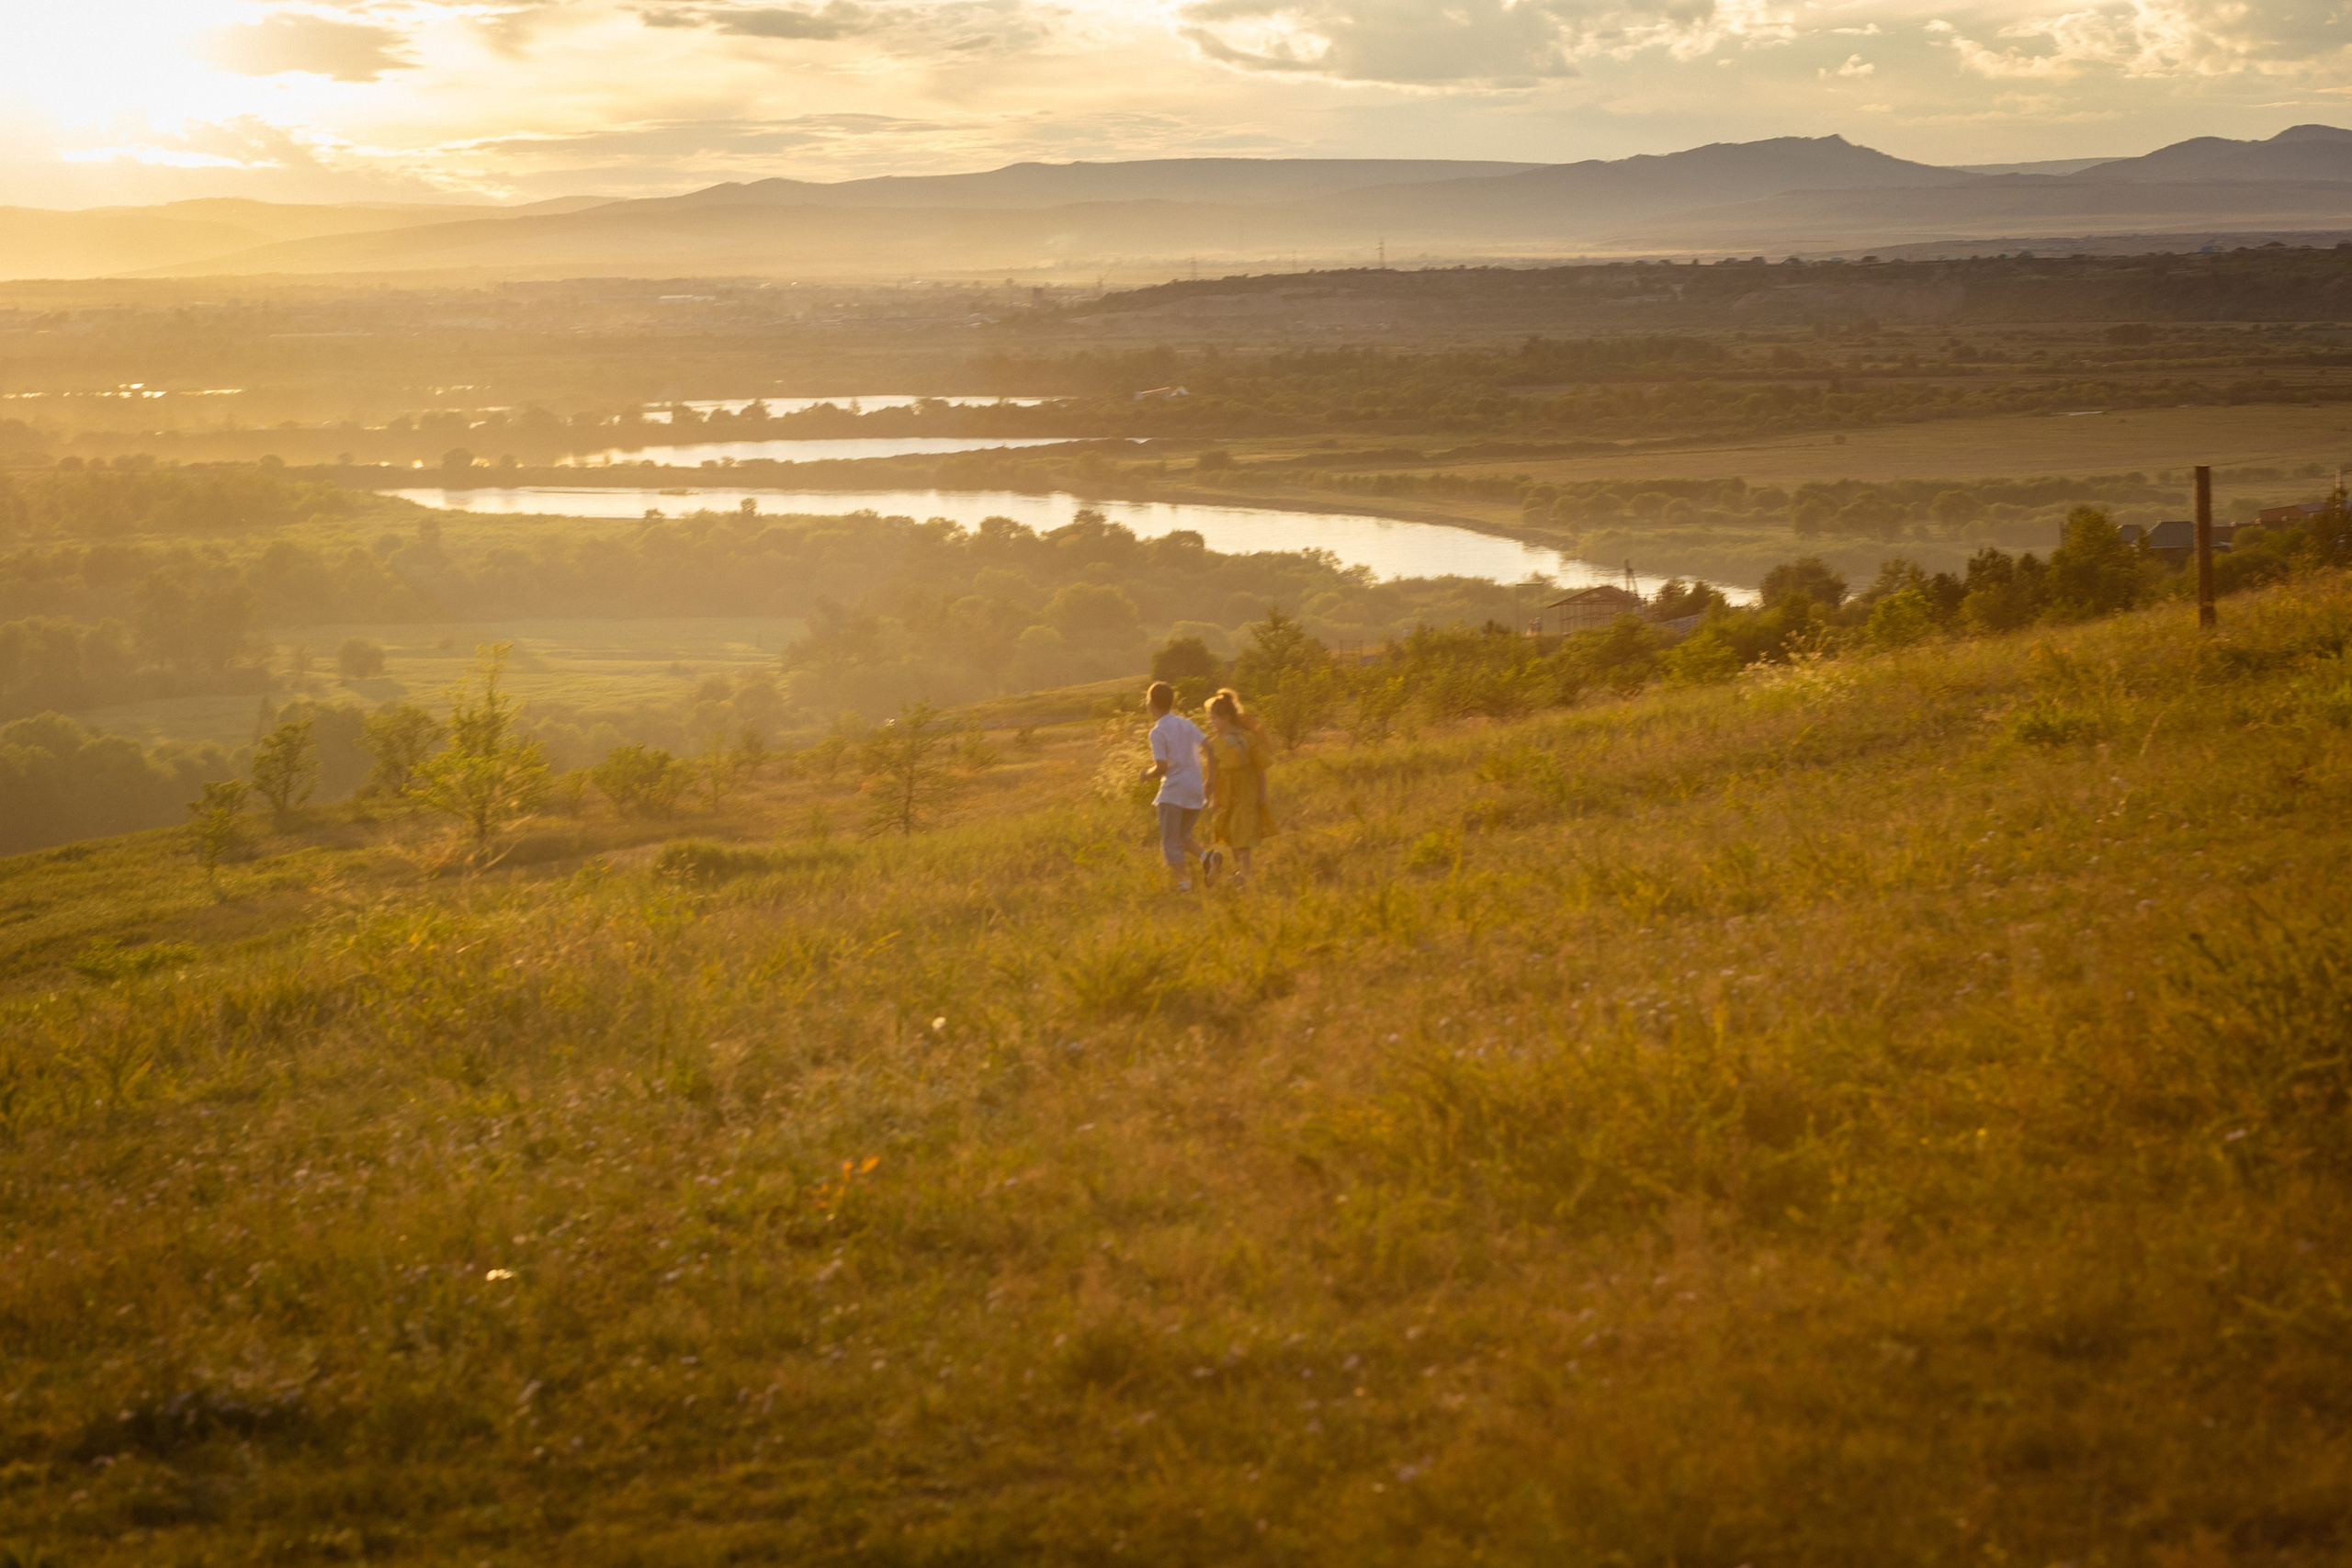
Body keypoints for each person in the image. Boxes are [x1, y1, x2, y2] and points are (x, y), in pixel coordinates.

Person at [1199, 687, 1275, 886]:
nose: (1211, 722)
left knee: (1242, 832)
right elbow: (1212, 775)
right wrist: (1212, 797)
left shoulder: (1248, 738)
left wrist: (1262, 794)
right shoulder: (1213, 743)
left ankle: (1246, 874)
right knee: (1231, 833)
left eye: (1213, 718)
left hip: (1246, 791)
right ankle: (1238, 872)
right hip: (1225, 793)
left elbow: (1260, 768)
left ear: (1225, 718)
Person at [1136, 680, 1205, 891]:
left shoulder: (1157, 732)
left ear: (1151, 703)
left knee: (1170, 842)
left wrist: (1145, 775)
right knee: (1182, 836)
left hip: (1173, 793)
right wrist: (1209, 779)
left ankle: (1184, 883)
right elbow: (1208, 746)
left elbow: (1162, 767)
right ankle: (1208, 858)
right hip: (1195, 790)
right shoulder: (1186, 724)